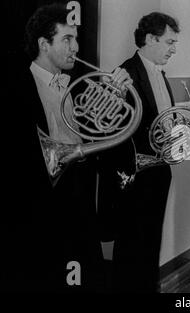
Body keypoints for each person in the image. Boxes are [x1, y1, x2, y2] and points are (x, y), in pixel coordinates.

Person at [2, 3, 132, 292]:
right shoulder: (16, 86)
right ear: (43, 44)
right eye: (66, 39)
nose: (75, 47)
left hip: (79, 194)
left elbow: (98, 137)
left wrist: (115, 96)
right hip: (38, 205)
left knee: (86, 275)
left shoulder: (80, 86)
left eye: (75, 38)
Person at [97, 12, 179, 292]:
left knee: (151, 242)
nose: (173, 48)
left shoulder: (161, 74)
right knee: (131, 246)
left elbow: (162, 121)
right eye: (169, 42)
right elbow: (108, 129)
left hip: (159, 171)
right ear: (149, 39)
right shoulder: (124, 74)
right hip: (133, 176)